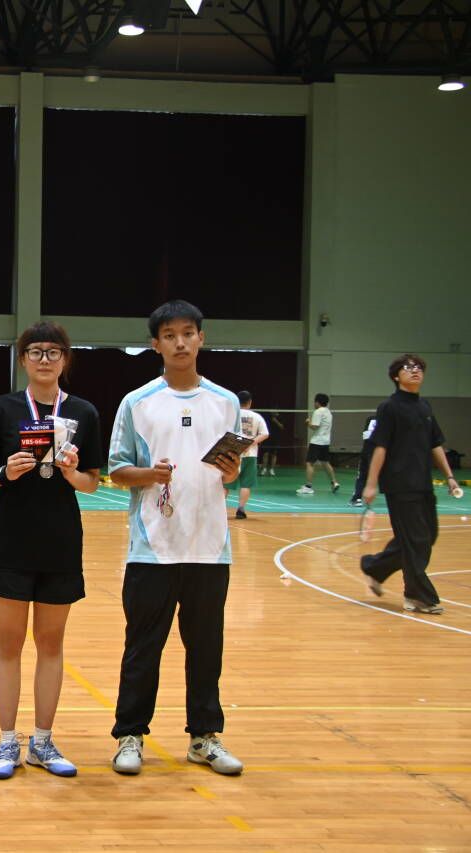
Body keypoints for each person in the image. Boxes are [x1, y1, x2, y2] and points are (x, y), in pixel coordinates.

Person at [107, 299, 244, 777]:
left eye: (188, 333)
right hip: (152, 550)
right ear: (156, 344)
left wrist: (233, 470)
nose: (180, 342)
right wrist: (151, 473)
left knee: (206, 649)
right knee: (142, 648)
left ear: (201, 338)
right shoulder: (138, 402)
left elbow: (230, 473)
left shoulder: (226, 402)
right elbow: (116, 470)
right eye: (170, 335)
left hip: (210, 548)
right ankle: (129, 735)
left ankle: (204, 737)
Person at [0, 320, 102, 780]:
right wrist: (4, 473)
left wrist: (71, 473)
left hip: (60, 540)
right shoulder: (3, 409)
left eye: (53, 351)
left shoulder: (83, 412)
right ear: (23, 359)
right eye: (36, 351)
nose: (45, 359)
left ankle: (42, 741)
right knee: (8, 643)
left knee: (50, 643)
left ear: (65, 359)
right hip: (11, 539)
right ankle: (8, 740)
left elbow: (92, 482)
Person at [360, 354, 461, 615]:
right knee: (416, 540)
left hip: (423, 483)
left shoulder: (425, 406)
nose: (415, 371)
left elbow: (435, 444)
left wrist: (450, 477)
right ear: (396, 376)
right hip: (399, 483)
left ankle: (374, 567)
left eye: (419, 368)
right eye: (408, 368)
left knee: (426, 536)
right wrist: (371, 484)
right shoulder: (389, 407)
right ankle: (417, 596)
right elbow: (380, 447)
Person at [230, 391, 269, 519]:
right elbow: (265, 434)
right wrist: (250, 443)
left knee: (226, 484)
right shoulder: (256, 416)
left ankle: (219, 511)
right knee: (246, 484)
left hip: (232, 453)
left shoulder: (231, 415)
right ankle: (241, 510)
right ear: (250, 402)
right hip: (250, 454)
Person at [297, 393, 339, 495]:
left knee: (310, 463)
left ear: (317, 402)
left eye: (315, 402)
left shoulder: (318, 412)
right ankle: (334, 482)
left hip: (317, 442)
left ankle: (308, 487)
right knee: (325, 462)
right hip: (325, 442)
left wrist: (308, 422)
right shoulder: (329, 412)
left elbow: (315, 426)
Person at [349, 415, 378, 507]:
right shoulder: (387, 421)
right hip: (376, 452)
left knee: (362, 475)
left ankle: (357, 498)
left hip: (367, 451)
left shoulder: (370, 419)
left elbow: (365, 436)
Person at [260, 410, 284, 476]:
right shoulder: (267, 418)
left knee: (274, 454)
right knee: (266, 454)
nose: (273, 412)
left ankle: (272, 470)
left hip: (276, 438)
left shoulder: (280, 418)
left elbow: (282, 427)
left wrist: (276, 421)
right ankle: (264, 469)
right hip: (267, 438)